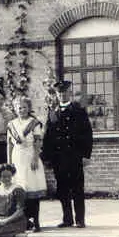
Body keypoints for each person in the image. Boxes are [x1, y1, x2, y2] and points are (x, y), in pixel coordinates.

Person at [42, 78, 93, 228]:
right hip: (59, 158)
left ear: (70, 93)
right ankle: (67, 219)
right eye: (59, 93)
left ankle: (80, 219)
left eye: (65, 93)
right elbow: (47, 137)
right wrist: (46, 157)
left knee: (77, 188)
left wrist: (86, 155)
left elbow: (87, 134)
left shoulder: (78, 110)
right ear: (56, 95)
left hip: (75, 156)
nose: (62, 96)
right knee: (62, 189)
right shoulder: (52, 113)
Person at [8, 95, 48, 232]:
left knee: (32, 189)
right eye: (19, 107)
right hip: (17, 158)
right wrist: (9, 163)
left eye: (24, 107)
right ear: (15, 109)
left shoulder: (34, 123)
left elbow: (38, 141)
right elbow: (9, 145)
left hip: (30, 156)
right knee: (19, 190)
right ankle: (23, 222)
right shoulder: (12, 124)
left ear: (28, 108)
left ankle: (36, 221)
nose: (22, 110)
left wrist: (35, 158)